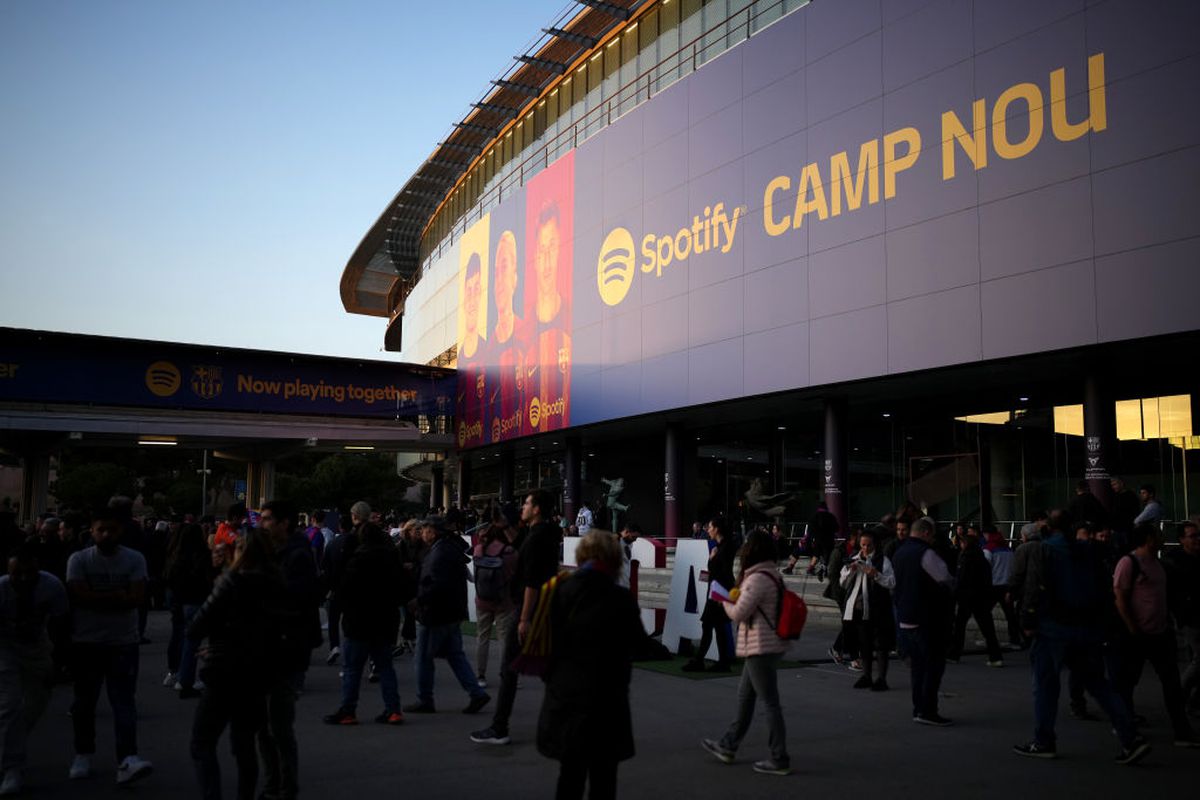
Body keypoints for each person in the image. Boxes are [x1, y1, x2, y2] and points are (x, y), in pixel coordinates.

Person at [1013, 515, 1150, 763]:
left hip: (1052, 626)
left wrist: (1027, 622)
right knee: (1098, 683)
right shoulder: (1090, 551)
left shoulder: (1046, 550)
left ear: (1048, 528)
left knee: (1045, 685)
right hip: (1086, 628)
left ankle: (1044, 740)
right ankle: (1130, 737)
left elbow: (1034, 587)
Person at [537, 531, 650, 800]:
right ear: (614, 559)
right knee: (604, 778)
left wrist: (553, 678)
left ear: (581, 556)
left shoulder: (560, 590)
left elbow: (547, 644)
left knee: (570, 774)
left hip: (567, 695)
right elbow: (638, 644)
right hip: (608, 699)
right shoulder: (621, 598)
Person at [188, 528, 286, 800]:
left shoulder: (232, 582)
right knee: (243, 745)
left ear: (240, 551)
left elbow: (195, 627)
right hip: (258, 672)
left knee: (202, 742)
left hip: (224, 670)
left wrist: (217, 645)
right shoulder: (276, 583)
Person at [65, 508, 154, 784]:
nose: (106, 534)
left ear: (120, 532)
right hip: (87, 642)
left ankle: (127, 758)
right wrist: (117, 596)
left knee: (124, 703)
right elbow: (78, 596)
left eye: (111, 529)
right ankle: (83, 753)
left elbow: (136, 598)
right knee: (84, 703)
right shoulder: (78, 559)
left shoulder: (135, 558)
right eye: (100, 529)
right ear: (91, 531)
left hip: (123, 642)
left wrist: (99, 597)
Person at [472, 489, 561, 746]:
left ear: (537, 509)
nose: (523, 506)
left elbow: (532, 581)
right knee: (550, 669)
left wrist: (523, 618)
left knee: (509, 669)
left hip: (530, 610)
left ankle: (500, 727)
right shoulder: (543, 534)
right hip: (543, 609)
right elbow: (520, 544)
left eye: (527, 503)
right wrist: (506, 526)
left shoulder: (537, 539)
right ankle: (561, 722)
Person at [700, 530, 791, 776]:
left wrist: (725, 600)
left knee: (769, 703)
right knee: (746, 698)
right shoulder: (771, 574)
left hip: (760, 645)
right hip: (766, 644)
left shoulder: (757, 578)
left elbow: (739, 613)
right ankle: (728, 744)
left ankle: (779, 757)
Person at [256, 500, 322, 800]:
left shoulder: (296, 555)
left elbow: (294, 601)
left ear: (285, 522)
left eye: (268, 519)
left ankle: (284, 788)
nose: (262, 524)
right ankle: (273, 785)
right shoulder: (275, 551)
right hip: (270, 646)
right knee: (264, 728)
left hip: (284, 648)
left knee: (277, 727)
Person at [1112, 524, 1198, 746]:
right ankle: (1125, 725)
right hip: (1138, 634)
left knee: (1171, 683)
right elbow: (1120, 598)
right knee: (1128, 682)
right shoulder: (1129, 563)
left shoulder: (1159, 564)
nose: (1162, 538)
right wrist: (1132, 628)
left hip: (1161, 633)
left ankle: (1181, 730)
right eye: (1158, 535)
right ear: (1149, 539)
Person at [0, 544, 68, 796]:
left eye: (30, 573)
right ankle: (11, 766)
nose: (24, 579)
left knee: (36, 704)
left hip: (38, 646)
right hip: (5, 646)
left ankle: (9, 743)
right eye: (17, 573)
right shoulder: (1, 589)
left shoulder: (51, 587)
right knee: (10, 705)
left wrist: (59, 664)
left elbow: (61, 626)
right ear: (9, 571)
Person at [324, 516, 404, 726]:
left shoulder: (356, 560)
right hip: (384, 622)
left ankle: (348, 710)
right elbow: (400, 589)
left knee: (352, 669)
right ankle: (393, 710)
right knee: (385, 667)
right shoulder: (391, 559)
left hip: (358, 622)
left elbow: (345, 591)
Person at [405, 516, 490, 715]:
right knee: (454, 654)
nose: (422, 532)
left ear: (433, 532)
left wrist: (419, 601)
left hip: (436, 614)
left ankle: (425, 698)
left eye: (424, 529)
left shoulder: (439, 553)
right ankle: (476, 693)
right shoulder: (449, 549)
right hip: (452, 612)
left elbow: (435, 584)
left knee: (423, 658)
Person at [892, 517, 955, 726]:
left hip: (905, 617)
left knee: (918, 668)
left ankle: (918, 708)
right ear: (926, 533)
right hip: (927, 618)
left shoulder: (899, 552)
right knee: (933, 666)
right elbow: (945, 579)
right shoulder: (925, 553)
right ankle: (928, 710)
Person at [839, 528, 895, 691]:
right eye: (862, 545)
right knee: (864, 643)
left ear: (875, 545)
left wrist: (876, 574)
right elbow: (842, 582)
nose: (865, 549)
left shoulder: (883, 560)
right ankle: (866, 675)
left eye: (868, 545)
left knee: (881, 644)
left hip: (878, 607)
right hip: (859, 608)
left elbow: (892, 582)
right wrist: (850, 571)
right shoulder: (853, 558)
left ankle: (881, 679)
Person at [164, 522, 213, 698]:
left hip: (180, 600)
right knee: (193, 643)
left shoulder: (176, 555)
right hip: (197, 599)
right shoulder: (202, 554)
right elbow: (208, 578)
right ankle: (186, 680)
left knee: (182, 638)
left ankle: (176, 674)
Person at [683, 516, 735, 673]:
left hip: (719, 592)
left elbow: (724, 571)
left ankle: (703, 661)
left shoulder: (725, 547)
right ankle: (720, 662)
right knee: (715, 626)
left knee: (710, 626)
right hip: (716, 591)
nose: (708, 530)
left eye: (710, 527)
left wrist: (712, 559)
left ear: (717, 528)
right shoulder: (721, 546)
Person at [473, 509, 518, 688]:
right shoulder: (510, 552)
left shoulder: (479, 549)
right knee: (504, 639)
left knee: (482, 637)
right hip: (504, 601)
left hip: (482, 599)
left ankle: (480, 676)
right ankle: (505, 674)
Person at [947, 527, 1003, 667]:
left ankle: (954, 654)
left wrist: (955, 593)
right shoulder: (981, 558)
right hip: (981, 597)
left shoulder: (964, 558)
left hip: (966, 597)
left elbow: (961, 579)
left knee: (960, 627)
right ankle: (995, 656)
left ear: (964, 544)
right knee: (987, 628)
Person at [1164, 520, 1200, 716]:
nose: (1197, 539)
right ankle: (1181, 700)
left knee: (1195, 659)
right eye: (1192, 536)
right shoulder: (1175, 561)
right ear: (1181, 540)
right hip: (1188, 616)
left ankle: (1190, 702)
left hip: (1193, 614)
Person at [982, 526, 1021, 649]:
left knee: (984, 613)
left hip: (993, 585)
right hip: (1007, 586)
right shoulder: (1008, 549)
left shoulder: (988, 549)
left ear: (987, 534)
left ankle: (990, 639)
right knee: (1010, 615)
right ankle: (1015, 640)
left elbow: (985, 567)